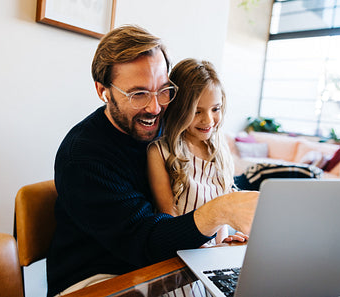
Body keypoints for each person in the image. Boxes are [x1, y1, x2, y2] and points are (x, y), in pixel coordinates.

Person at [47, 25, 259, 297]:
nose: (155, 107)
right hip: (99, 280)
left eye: (163, 90)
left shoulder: (164, 128)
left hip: (166, 265)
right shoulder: (84, 157)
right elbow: (147, 241)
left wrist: (233, 218)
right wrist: (220, 211)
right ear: (103, 91)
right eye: (138, 94)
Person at [147, 58, 245, 246]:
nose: (208, 120)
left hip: (211, 255)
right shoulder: (160, 152)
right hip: (181, 251)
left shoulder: (219, 149)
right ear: (179, 109)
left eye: (215, 109)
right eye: (197, 111)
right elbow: (169, 219)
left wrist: (224, 243)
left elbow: (221, 215)